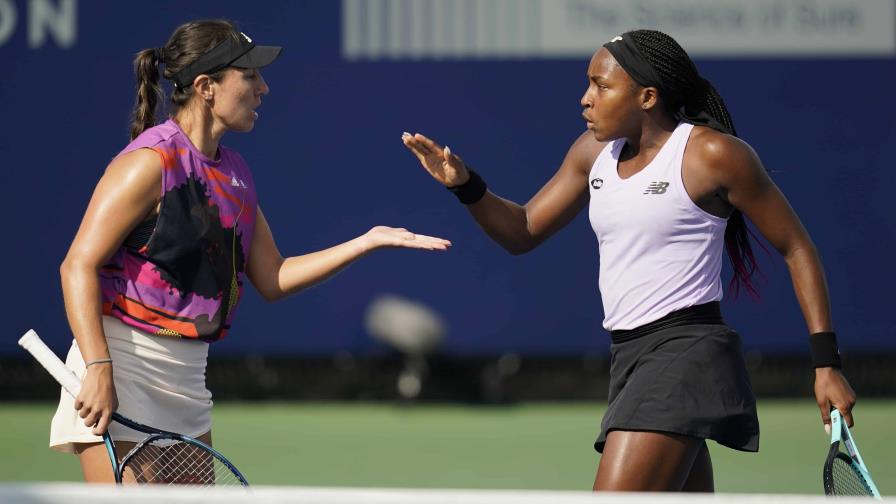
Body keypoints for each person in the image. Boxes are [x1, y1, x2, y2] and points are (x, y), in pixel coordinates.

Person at [402, 29, 855, 492]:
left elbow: (797, 248)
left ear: (647, 96)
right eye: (588, 84)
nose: (585, 99)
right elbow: (523, 231)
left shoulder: (713, 155)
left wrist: (826, 365)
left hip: (686, 356)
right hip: (629, 357)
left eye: (601, 85)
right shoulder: (592, 153)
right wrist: (465, 186)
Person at [52, 19, 450, 483]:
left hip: (188, 383)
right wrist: (99, 367)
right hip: (123, 366)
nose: (263, 87)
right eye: (250, 75)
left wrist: (366, 241)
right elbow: (77, 264)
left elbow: (273, 277)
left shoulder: (235, 174)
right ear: (205, 86)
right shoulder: (148, 163)